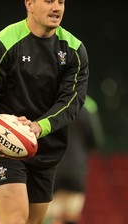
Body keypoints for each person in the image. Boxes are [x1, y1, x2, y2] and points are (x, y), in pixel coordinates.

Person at [0, 0, 89, 224]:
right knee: (14, 220)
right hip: (5, 144)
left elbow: (71, 101)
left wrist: (38, 127)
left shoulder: (75, 50)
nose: (57, 7)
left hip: (46, 149)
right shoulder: (1, 44)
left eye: (61, 1)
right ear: (29, 4)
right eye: (49, 1)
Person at [43, 95, 105, 224]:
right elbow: (95, 141)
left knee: (52, 215)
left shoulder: (50, 99)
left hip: (53, 166)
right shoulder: (88, 104)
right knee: (72, 215)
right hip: (76, 168)